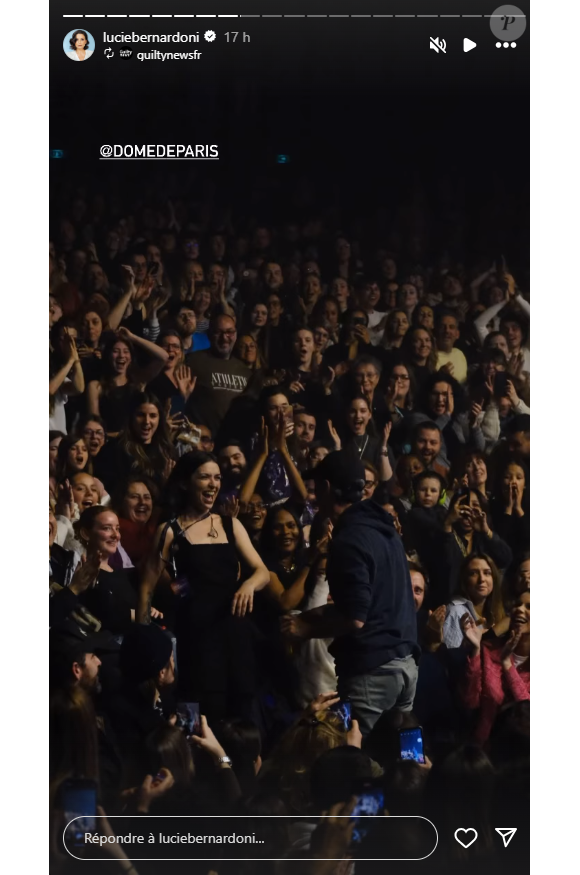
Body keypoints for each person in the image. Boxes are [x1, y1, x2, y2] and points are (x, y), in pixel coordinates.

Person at [281, 451, 419, 736]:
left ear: (328, 488)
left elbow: (356, 618)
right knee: (402, 761)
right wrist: (310, 617)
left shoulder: (349, 538)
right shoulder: (385, 529)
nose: (314, 493)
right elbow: (366, 604)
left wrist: (306, 629)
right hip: (405, 668)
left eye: (317, 485)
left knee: (357, 761)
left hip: (372, 674)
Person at [138, 452, 269, 720]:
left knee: (242, 719)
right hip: (197, 641)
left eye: (217, 478)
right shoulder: (171, 530)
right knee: (201, 721)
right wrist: (143, 646)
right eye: (205, 477)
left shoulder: (230, 524)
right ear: (186, 483)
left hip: (236, 636)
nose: (213, 484)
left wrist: (248, 586)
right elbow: (146, 589)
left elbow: (262, 571)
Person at [459, 592, 530, 743]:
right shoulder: (489, 650)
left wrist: (507, 665)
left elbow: (527, 715)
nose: (520, 609)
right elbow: (470, 701)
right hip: (486, 749)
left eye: (528, 607)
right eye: (518, 604)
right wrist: (476, 650)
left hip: (522, 756)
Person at [185, 313, 255, 436]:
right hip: (202, 442)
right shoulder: (193, 361)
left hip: (234, 444)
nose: (224, 338)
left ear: (236, 335)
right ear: (209, 334)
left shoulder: (245, 371)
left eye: (229, 332)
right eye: (218, 332)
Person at [87, 329, 169, 435]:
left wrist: (132, 337)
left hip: (135, 443)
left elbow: (163, 357)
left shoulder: (138, 382)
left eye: (126, 351)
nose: (121, 356)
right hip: (110, 444)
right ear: (108, 355)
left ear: (131, 357)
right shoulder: (96, 387)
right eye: (116, 351)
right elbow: (95, 427)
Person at [93, 391, 176, 494]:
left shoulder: (167, 451)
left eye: (153, 416)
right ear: (131, 417)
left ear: (160, 419)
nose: (147, 421)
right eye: (141, 415)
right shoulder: (114, 450)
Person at [435, 311, 469, 384]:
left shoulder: (459, 354)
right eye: (442, 327)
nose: (447, 330)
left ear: (457, 334)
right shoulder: (430, 356)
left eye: (451, 327)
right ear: (436, 331)